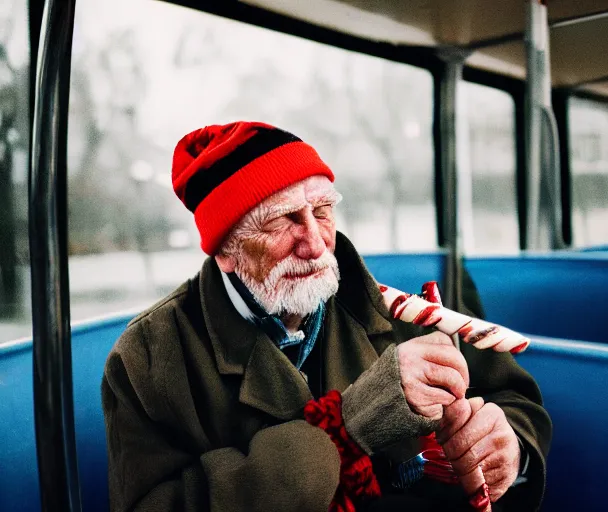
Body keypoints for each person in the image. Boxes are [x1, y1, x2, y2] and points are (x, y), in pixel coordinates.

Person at [102, 121, 551, 512]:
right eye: (282, 222)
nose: (316, 243)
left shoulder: (411, 310)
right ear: (226, 250)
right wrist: (346, 424)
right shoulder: (147, 360)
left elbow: (516, 401)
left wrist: (509, 446)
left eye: (322, 211)